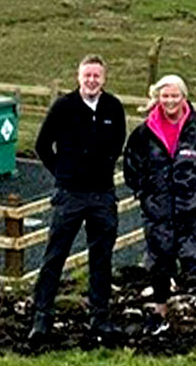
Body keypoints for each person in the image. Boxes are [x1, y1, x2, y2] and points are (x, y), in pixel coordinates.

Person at [25, 56, 127, 341]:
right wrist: (63, 173)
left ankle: (100, 318)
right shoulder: (64, 107)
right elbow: (42, 145)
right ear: (78, 77)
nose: (92, 80)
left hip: (102, 195)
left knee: (101, 258)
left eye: (97, 76)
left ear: (104, 79)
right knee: (54, 257)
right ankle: (42, 319)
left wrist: (103, 167)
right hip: (69, 195)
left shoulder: (113, 107)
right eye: (87, 75)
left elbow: (118, 142)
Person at [121, 72, 196, 338]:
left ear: (183, 97)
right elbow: (131, 167)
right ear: (157, 98)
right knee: (159, 264)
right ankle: (159, 315)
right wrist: (145, 195)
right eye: (165, 96)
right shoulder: (144, 133)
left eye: (174, 95)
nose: (169, 101)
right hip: (159, 212)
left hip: (194, 213)